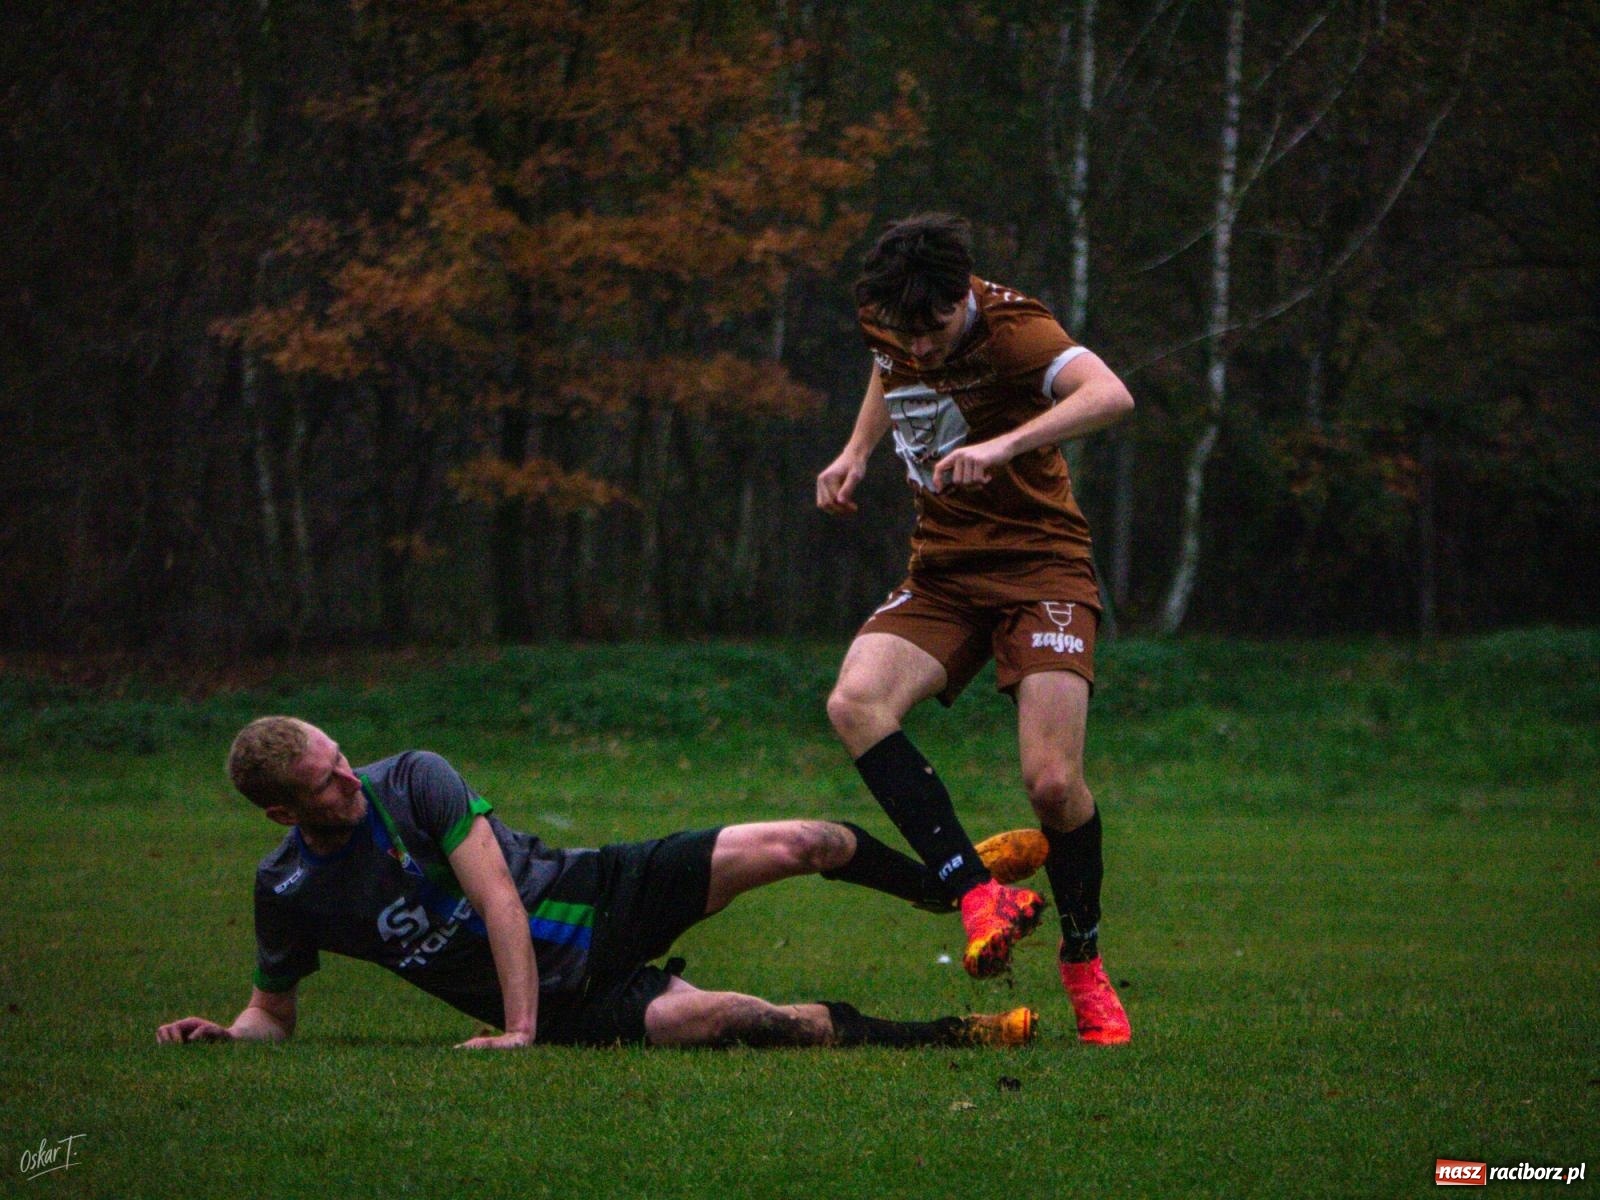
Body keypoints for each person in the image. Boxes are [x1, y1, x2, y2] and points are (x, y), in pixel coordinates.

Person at [156, 716, 1040, 1050]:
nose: (352, 779)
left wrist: (517, 1031)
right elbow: (272, 1013)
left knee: (801, 839)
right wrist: (229, 1038)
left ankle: (954, 891)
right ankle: (957, 1033)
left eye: (342, 758)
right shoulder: (290, 892)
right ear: (284, 816)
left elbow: (500, 897)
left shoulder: (415, 778)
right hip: (578, 1003)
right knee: (741, 1018)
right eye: (326, 783)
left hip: (598, 890)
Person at [814, 213, 1135, 1044]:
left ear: (964, 296)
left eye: (934, 332)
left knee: (1053, 786)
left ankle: (1083, 959)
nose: (918, 349)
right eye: (902, 334)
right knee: (855, 703)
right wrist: (855, 451)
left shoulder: (1018, 333)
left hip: (1042, 568)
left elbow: (1111, 395)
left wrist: (1005, 447)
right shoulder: (893, 320)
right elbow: (891, 370)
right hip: (946, 572)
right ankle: (976, 893)